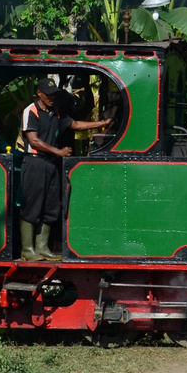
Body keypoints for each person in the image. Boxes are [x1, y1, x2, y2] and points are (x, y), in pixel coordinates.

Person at [18, 82, 112, 261]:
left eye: (54, 94)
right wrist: (58, 151)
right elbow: (34, 140)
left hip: (51, 163)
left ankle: (42, 248)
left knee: (50, 205)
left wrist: (102, 123)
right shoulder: (31, 111)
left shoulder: (57, 112)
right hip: (35, 163)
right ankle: (27, 250)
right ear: (39, 93)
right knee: (32, 205)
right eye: (48, 94)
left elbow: (75, 124)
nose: (52, 97)